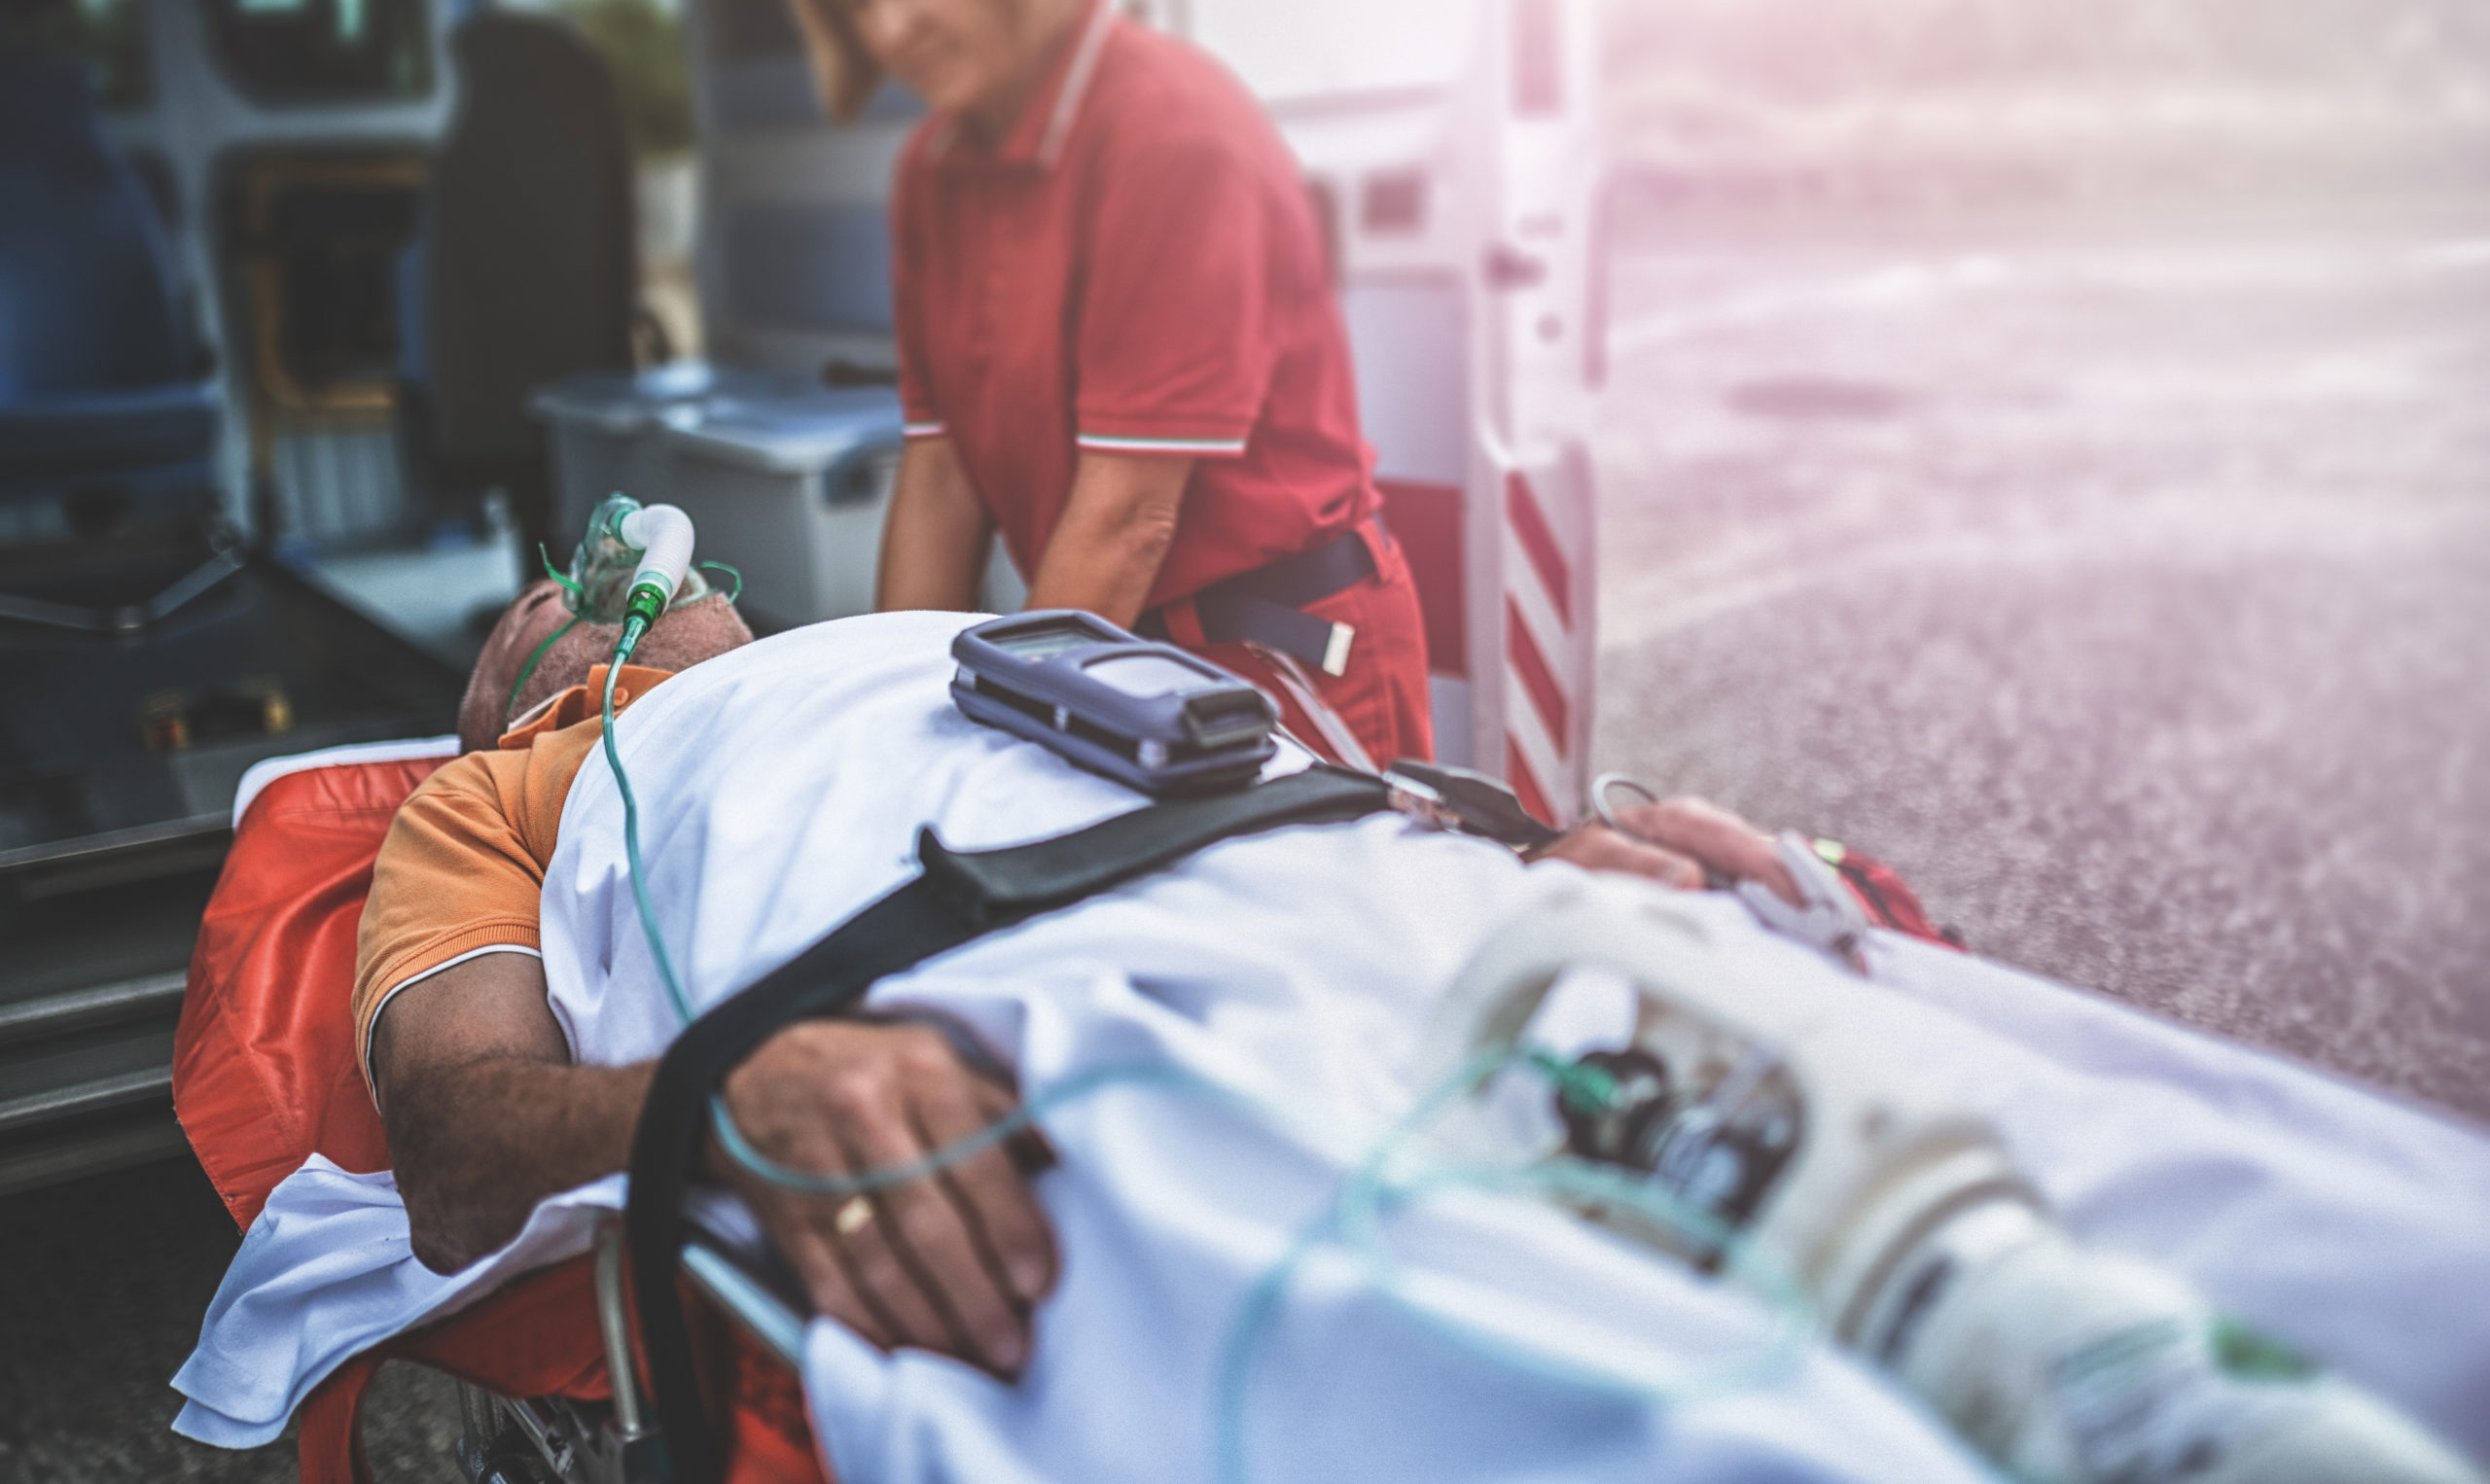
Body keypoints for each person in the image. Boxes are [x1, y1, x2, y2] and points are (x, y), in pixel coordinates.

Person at [174, 595, 2490, 1484]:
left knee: (1800, 1027)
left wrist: (1555, 833)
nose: (614, 595)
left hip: (1364, 877)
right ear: (509, 680)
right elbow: (461, 1140)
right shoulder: (508, 799)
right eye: (555, 612)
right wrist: (722, 1093)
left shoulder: (969, 628)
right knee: (1271, 1215)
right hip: (958, 994)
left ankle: (2299, 1341)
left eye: (634, 587)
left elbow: (1306, 767)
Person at [772, 0, 1433, 768]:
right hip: (1117, 643)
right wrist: (897, 726)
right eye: (856, 0)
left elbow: (1128, 517)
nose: (885, 29)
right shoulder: (933, 168)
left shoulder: (1166, 130)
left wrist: (990, 750)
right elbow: (941, 476)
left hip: (1270, 656)